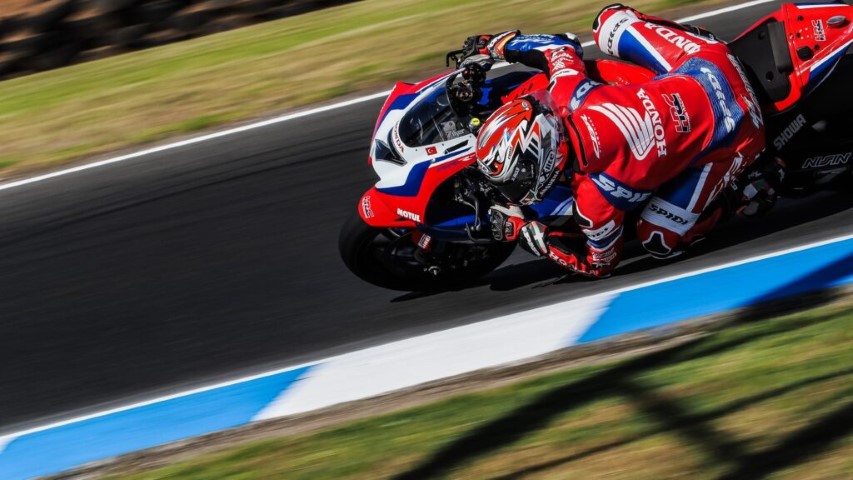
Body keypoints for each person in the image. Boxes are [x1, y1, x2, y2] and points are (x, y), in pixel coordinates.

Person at [464, 4, 766, 277]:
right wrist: (495, 45)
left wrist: (528, 233)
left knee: (658, 239)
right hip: (711, 62)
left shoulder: (595, 197)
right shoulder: (570, 94)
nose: (511, 189)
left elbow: (599, 264)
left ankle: (742, 190)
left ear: (542, 159)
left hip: (740, 129)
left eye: (514, 180)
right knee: (609, 19)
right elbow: (560, 46)